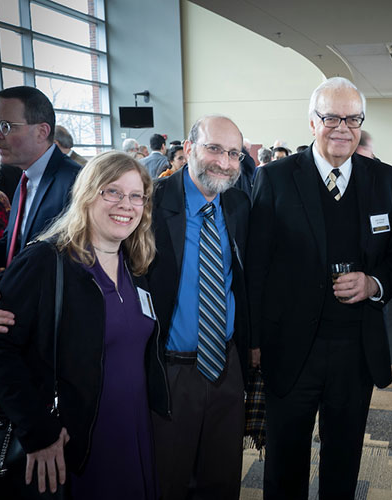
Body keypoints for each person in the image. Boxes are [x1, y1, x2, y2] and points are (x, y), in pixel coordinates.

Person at [246, 77, 392, 499]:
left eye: (353, 119)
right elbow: (256, 264)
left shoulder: (384, 179)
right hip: (290, 346)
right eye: (330, 117)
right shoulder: (275, 178)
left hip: (356, 348)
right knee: (284, 459)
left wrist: (373, 282)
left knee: (344, 456)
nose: (342, 127)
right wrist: (255, 339)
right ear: (311, 122)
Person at [0, 151, 165, 498]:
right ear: (87, 193)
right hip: (75, 439)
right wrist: (37, 429)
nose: (126, 204)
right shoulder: (48, 260)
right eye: (112, 191)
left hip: (133, 427)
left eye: (135, 195)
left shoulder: (136, 263)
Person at [146, 115, 250, 499]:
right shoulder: (149, 201)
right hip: (170, 369)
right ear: (188, 149)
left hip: (225, 365)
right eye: (214, 149)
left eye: (234, 153)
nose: (224, 162)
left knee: (222, 479)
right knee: (168, 479)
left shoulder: (238, 204)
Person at [0, 85, 81, 272]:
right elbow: (15, 245)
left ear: (42, 132)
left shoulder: (75, 182)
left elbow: (74, 262)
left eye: (5, 126)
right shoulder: (26, 179)